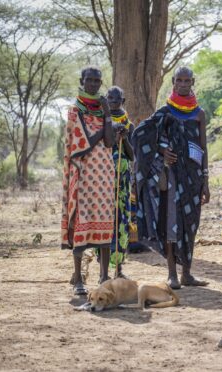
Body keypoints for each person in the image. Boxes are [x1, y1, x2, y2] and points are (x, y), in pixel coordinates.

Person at [133, 66, 210, 288]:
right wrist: (160, 150)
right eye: (179, 80)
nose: (183, 84)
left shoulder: (199, 113)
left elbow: (203, 148)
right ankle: (172, 274)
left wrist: (205, 181)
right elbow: (140, 135)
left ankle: (187, 273)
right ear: (173, 82)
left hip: (193, 177)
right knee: (171, 222)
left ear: (193, 82)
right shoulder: (165, 112)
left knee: (190, 224)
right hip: (172, 177)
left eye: (187, 81)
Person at [61, 66, 115, 295]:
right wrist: (103, 126)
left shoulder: (103, 110)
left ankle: (104, 277)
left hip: (104, 175)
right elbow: (83, 145)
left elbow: (110, 142)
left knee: (104, 224)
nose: (94, 84)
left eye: (97, 80)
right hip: (83, 175)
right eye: (89, 80)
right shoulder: (76, 110)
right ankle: (79, 281)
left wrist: (108, 115)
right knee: (82, 222)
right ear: (81, 81)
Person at [94, 86, 134, 278]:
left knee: (122, 222)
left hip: (123, 183)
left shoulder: (128, 124)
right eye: (109, 98)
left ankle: (118, 269)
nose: (112, 102)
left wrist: (124, 139)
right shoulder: (100, 122)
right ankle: (103, 272)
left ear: (123, 101)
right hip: (103, 179)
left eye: (117, 99)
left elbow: (133, 155)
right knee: (103, 222)